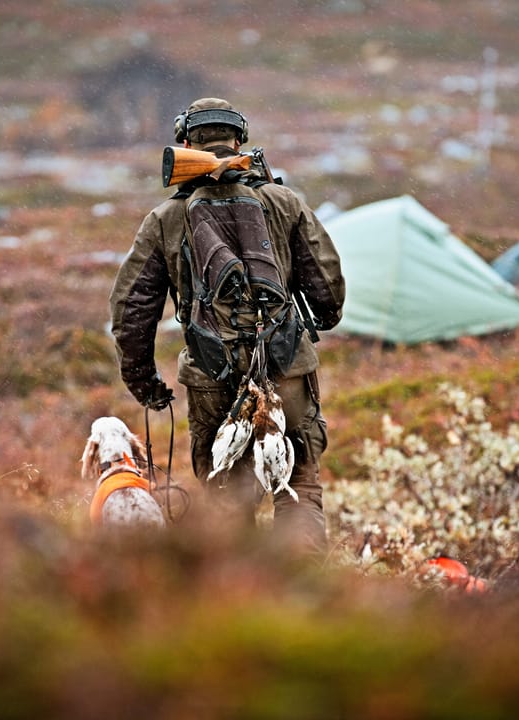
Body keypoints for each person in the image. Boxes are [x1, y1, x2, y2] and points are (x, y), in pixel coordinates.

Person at [109, 97, 345, 555]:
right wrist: (321, 318)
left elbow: (132, 310)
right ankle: (304, 594)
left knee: (225, 501)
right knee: (298, 488)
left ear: (184, 142)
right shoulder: (283, 202)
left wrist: (144, 382)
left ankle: (238, 600)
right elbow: (328, 290)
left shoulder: (165, 220)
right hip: (287, 371)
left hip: (211, 376)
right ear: (240, 138)